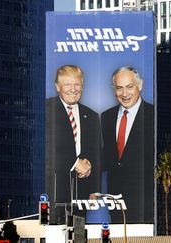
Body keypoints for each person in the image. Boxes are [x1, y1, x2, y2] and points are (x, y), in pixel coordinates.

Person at [46, 65, 101, 224]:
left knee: (79, 233)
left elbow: (97, 153)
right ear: (58, 86)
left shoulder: (91, 116)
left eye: (77, 84)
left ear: (82, 86)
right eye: (67, 85)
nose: (73, 89)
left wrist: (94, 189)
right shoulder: (47, 109)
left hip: (81, 189)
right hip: (54, 186)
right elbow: (49, 146)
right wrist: (76, 163)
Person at [101, 66, 153, 223]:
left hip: (145, 201)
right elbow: (108, 156)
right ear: (113, 90)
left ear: (140, 85)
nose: (124, 94)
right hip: (115, 199)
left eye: (129, 87)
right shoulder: (106, 117)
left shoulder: (153, 116)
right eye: (119, 88)